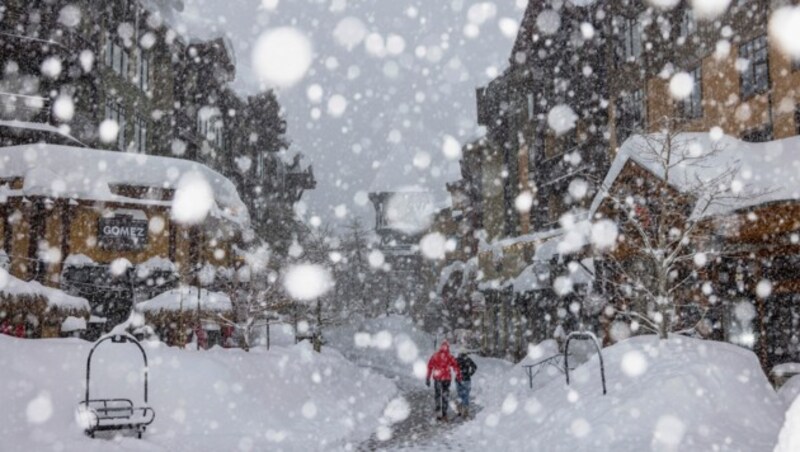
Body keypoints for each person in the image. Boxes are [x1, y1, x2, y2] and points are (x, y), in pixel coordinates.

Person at [426, 340, 462, 421]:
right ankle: (444, 413)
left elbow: (430, 367)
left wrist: (428, 378)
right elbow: (456, 367)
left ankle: (438, 412)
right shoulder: (450, 356)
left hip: (437, 378)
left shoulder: (435, 356)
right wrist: (459, 377)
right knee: (445, 395)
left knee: (438, 395)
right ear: (448, 348)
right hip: (446, 379)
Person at [455, 351, 477, 418]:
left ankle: (459, 409)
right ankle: (465, 411)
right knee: (466, 395)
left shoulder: (457, 359)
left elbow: (453, 366)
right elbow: (475, 367)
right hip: (466, 379)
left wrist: (458, 373)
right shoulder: (468, 359)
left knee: (459, 394)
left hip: (458, 379)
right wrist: (470, 373)